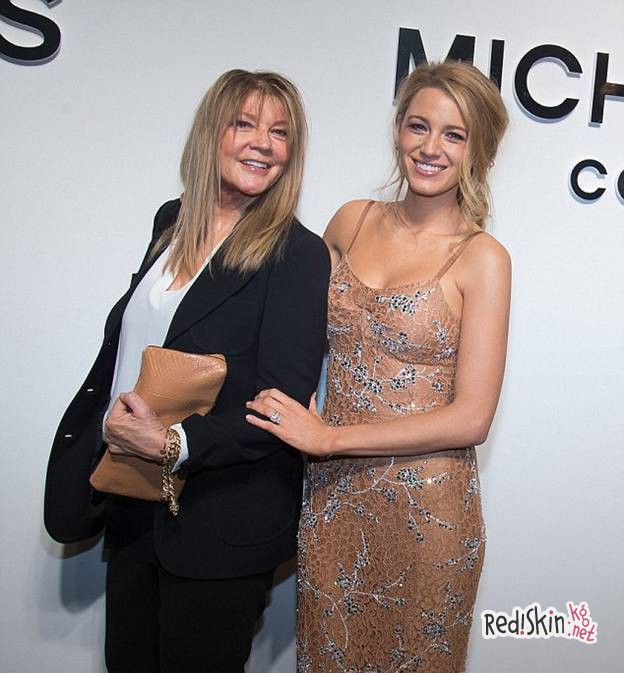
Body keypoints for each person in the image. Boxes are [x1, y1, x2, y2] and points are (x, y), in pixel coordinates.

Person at [44, 69, 330, 673]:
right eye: (244, 124)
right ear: (211, 133)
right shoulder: (171, 221)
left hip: (220, 523)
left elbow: (280, 403)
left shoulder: (297, 253)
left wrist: (172, 443)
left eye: (280, 132)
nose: (263, 143)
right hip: (132, 501)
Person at [246, 61, 510, 672]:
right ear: (398, 130)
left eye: (453, 134)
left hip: (427, 514)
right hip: (334, 500)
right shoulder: (351, 220)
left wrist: (328, 438)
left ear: (479, 151)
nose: (430, 148)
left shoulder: (483, 258)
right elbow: (292, 332)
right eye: (419, 126)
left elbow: (471, 418)